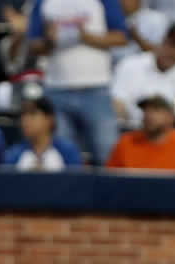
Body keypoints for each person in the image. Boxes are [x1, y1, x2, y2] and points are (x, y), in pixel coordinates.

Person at [26, 0, 128, 165]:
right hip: (57, 88)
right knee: (59, 157)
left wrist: (85, 37)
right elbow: (33, 44)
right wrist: (49, 41)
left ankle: (112, 191)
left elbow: (121, 37)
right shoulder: (43, 2)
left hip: (96, 88)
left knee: (108, 154)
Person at [111, 22, 175, 126]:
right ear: (162, 42)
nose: (174, 52)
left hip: (166, 134)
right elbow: (117, 103)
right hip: (130, 130)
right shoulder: (131, 64)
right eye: (172, 44)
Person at [104, 94, 175, 170]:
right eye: (146, 110)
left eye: (156, 110)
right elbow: (111, 180)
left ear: (171, 116)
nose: (149, 115)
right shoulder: (126, 142)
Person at [3, 92, 83, 169]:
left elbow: (76, 181)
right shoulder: (13, 155)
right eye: (23, 114)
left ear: (49, 119)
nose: (25, 120)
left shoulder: (67, 151)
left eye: (32, 113)